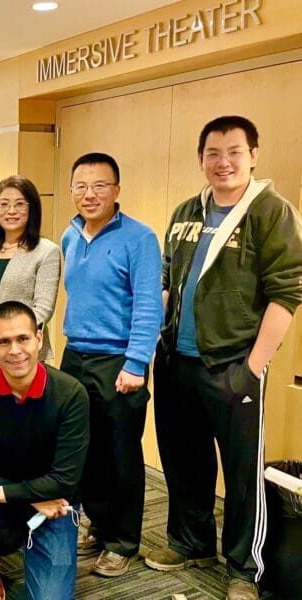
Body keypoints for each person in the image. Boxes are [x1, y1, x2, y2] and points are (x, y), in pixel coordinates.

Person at [147, 116, 302, 600]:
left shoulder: (271, 211)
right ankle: (191, 542)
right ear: (200, 159)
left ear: (253, 155)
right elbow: (168, 283)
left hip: (234, 365)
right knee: (183, 461)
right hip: (178, 361)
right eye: (213, 153)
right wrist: (157, 338)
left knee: (240, 474)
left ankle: (243, 569)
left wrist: (253, 366)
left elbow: (287, 294)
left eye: (234, 151)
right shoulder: (186, 211)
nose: (223, 162)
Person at [60, 152, 163, 578]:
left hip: (119, 358)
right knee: (87, 450)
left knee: (121, 451)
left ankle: (123, 541)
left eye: (100, 185)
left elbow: (148, 305)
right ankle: (99, 525)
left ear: (117, 190)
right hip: (75, 356)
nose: (90, 194)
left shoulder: (139, 238)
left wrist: (137, 362)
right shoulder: (70, 236)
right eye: (81, 186)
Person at [0, 301, 89, 600]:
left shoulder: (71, 393)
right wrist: (25, 499)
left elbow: (64, 481)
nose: (15, 350)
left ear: (39, 338)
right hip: (28, 498)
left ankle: (20, 535)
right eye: (4, 341)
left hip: (55, 506)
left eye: (23, 338)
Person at [0, 175, 61, 369]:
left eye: (19, 204)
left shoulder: (46, 251)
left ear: (31, 208)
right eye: (4, 204)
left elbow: (42, 309)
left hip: (23, 353)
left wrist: (3, 343)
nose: (11, 211)